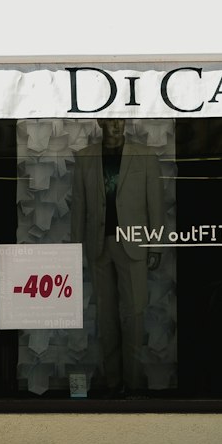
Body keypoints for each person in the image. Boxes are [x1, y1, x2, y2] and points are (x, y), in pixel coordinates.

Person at [72, 119, 164, 393]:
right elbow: (79, 205)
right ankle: (113, 383)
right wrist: (75, 249)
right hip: (98, 245)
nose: (116, 126)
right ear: (100, 122)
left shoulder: (145, 156)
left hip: (134, 244)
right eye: (110, 121)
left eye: (120, 121)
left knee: (134, 314)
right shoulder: (85, 157)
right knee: (106, 316)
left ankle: (133, 383)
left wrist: (155, 245)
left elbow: (155, 203)